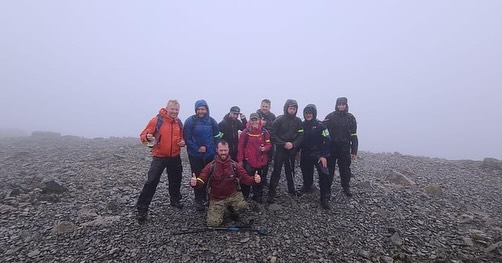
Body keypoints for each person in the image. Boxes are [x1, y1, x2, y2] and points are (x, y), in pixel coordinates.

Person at [190, 140, 261, 226]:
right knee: (213, 224)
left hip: (232, 195)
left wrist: (254, 179)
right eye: (221, 150)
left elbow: (245, 178)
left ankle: (233, 211)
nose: (223, 153)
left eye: (225, 150)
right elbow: (201, 179)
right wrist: (195, 183)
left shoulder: (234, 165)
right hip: (216, 198)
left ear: (228, 150)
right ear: (217, 150)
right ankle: (220, 210)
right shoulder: (211, 166)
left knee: (242, 206)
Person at [136, 99, 186, 223]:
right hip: (159, 156)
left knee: (176, 180)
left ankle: (175, 200)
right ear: (167, 108)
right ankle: (142, 208)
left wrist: (183, 142)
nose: (174, 112)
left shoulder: (179, 123)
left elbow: (182, 138)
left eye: (177, 110)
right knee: (151, 181)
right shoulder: (156, 120)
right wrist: (148, 139)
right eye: (172, 109)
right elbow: (143, 136)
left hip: (174, 156)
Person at [184, 99, 222, 211]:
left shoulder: (212, 121)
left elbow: (217, 136)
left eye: (203, 109)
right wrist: (197, 148)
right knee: (197, 176)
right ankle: (198, 199)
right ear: (196, 110)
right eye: (199, 109)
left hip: (210, 155)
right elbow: (187, 138)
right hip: (195, 155)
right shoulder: (190, 121)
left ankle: (207, 196)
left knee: (209, 176)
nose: (201, 111)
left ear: (207, 109)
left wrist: (217, 149)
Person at [267, 99, 304, 204]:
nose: (292, 110)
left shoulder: (298, 121)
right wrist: (283, 143)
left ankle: (292, 189)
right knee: (276, 171)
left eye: (294, 108)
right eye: (290, 108)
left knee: (291, 170)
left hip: (292, 149)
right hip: (280, 149)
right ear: (286, 108)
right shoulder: (279, 120)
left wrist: (293, 144)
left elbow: (301, 135)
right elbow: (272, 135)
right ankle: (271, 193)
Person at [323, 97, 358, 197]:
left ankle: (346, 187)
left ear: (346, 105)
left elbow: (354, 135)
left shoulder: (351, 118)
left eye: (343, 104)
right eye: (339, 104)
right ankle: (327, 187)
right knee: (329, 169)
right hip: (331, 148)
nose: (341, 106)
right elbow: (323, 132)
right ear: (336, 105)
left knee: (345, 169)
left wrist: (354, 151)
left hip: (344, 148)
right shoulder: (330, 116)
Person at [299, 104, 332, 209]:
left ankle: (325, 198)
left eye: (310, 113)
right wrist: (296, 152)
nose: (308, 115)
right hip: (305, 153)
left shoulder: (321, 126)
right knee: (306, 171)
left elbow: (327, 140)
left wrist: (324, 155)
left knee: (324, 174)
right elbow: (298, 139)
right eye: (306, 113)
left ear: (314, 114)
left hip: (318, 154)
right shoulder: (301, 125)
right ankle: (307, 186)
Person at [237, 112, 272, 203]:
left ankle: (257, 197)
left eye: (256, 119)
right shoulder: (245, 133)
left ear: (259, 120)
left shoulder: (265, 132)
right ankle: (245, 196)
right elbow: (240, 147)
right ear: (250, 121)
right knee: (246, 180)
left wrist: (265, 148)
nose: (254, 122)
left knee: (260, 180)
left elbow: (269, 144)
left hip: (261, 161)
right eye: (252, 120)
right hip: (249, 162)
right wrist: (240, 160)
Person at [255, 99, 276, 186]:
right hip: (258, 142)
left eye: (266, 107)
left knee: (267, 161)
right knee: (257, 161)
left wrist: (266, 123)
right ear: (260, 106)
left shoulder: (272, 116)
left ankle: (264, 179)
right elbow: (251, 124)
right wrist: (260, 123)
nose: (264, 108)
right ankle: (257, 179)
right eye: (263, 106)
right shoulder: (256, 114)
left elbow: (275, 126)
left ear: (269, 107)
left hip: (269, 141)